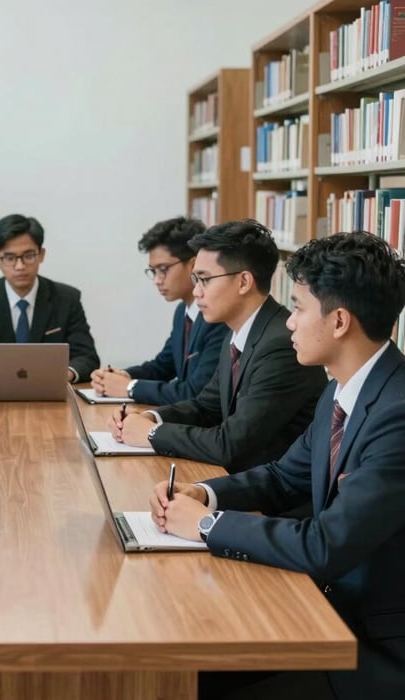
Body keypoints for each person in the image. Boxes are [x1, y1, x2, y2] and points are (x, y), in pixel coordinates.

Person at [150, 231, 405, 700]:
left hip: (370, 647)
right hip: (325, 609)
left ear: (340, 321)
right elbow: (285, 476)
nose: (288, 322)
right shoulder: (343, 387)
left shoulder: (398, 412)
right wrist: (205, 494)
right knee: (184, 664)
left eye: (299, 307)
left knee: (192, 678)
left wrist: (207, 525)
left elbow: (326, 544)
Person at [108, 220, 327, 472]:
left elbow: (230, 444)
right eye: (195, 280)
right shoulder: (239, 332)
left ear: (244, 282)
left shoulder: (280, 346)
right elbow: (206, 406)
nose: (197, 291)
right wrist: (151, 417)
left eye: (205, 280)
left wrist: (152, 433)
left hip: (272, 497)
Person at [0, 214, 99, 385]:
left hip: (49, 393)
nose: (20, 266)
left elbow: (87, 357)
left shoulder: (67, 298)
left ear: (41, 255)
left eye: (29, 256)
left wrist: (64, 374)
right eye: (9, 258)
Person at [91, 216, 227, 403]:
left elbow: (195, 393)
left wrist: (129, 388)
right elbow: (163, 366)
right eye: (153, 271)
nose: (157, 280)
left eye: (163, 269)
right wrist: (120, 376)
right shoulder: (183, 312)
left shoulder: (218, 317)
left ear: (194, 265)